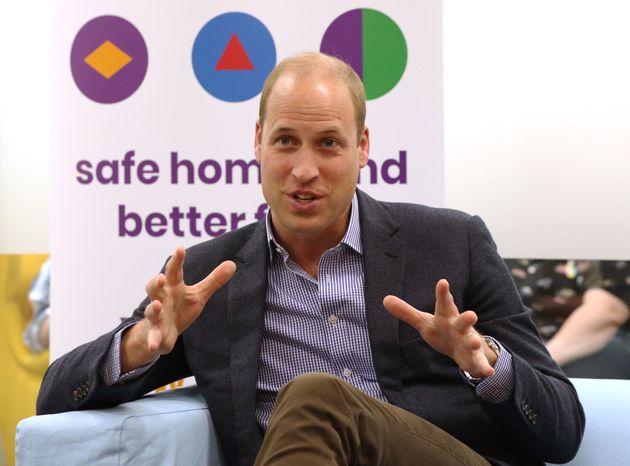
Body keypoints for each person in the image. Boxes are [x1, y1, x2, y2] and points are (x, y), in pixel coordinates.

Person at [37, 52, 584, 466]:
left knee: (316, 395)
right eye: (285, 142)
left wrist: (484, 363)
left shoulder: (451, 242)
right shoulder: (212, 278)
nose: (303, 170)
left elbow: (562, 427)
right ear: (257, 143)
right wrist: (138, 345)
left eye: (327, 143)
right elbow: (54, 395)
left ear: (362, 147)